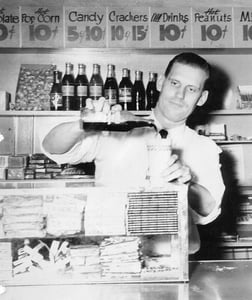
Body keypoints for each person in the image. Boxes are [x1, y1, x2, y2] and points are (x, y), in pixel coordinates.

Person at [42, 52, 225, 254]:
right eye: (174, 83)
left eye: (191, 89)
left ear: (202, 98)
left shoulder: (204, 147)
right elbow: (53, 149)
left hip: (170, 259)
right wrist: (85, 123)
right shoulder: (117, 128)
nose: (179, 95)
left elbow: (210, 210)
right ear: (161, 83)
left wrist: (187, 185)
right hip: (109, 254)